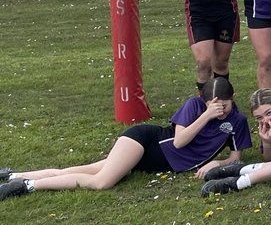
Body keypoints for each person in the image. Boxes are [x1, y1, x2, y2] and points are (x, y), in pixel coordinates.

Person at [0, 77, 252, 199]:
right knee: (101, 182)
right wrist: (207, 115)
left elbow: (235, 158)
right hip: (145, 142)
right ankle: (28, 187)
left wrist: (215, 164)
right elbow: (179, 142)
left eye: (224, 104)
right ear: (204, 101)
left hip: (152, 162)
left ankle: (14, 176)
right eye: (213, 103)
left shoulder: (238, 121)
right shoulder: (195, 107)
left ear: (233, 98)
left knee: (81, 170)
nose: (220, 108)